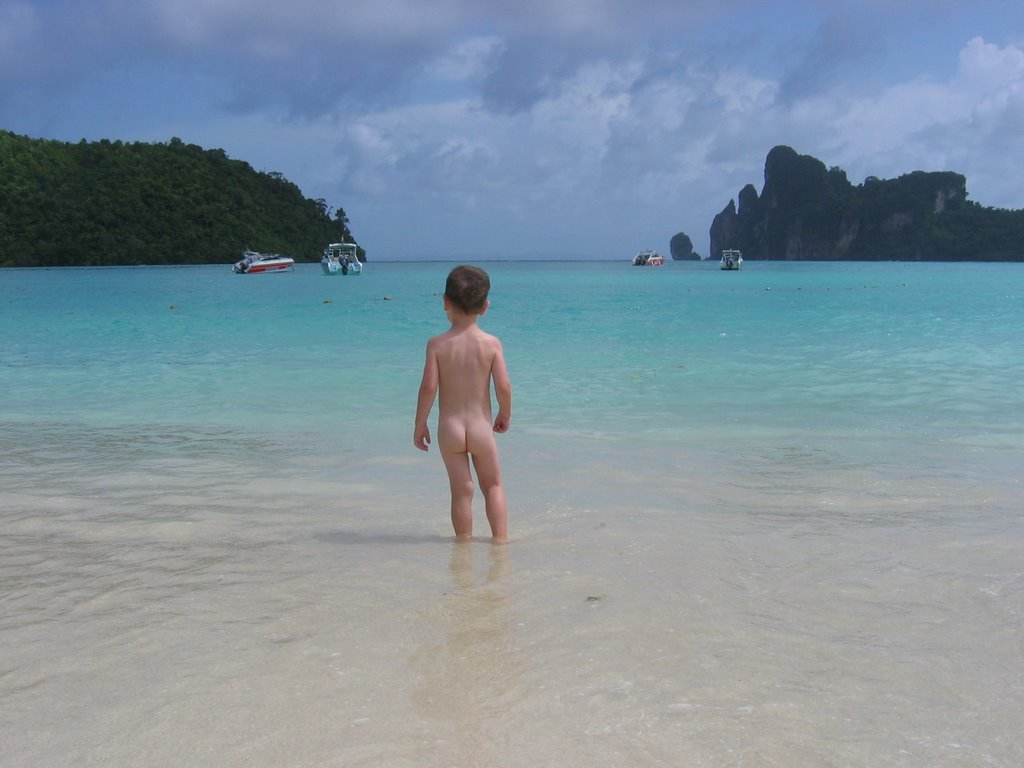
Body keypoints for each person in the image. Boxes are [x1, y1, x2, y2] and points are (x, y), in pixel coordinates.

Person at [414, 265, 512, 542]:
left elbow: (428, 387)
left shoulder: (437, 344)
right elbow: (503, 386)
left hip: (450, 429)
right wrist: (505, 412)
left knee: (461, 490)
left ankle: (464, 547)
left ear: (445, 302)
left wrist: (419, 424)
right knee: (492, 486)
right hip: (481, 429)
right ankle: (500, 542)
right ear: (485, 307)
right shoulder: (491, 344)